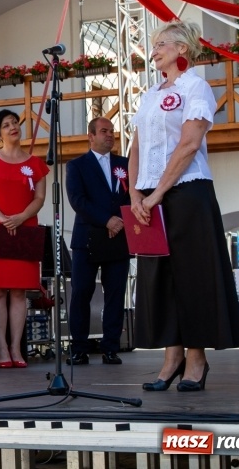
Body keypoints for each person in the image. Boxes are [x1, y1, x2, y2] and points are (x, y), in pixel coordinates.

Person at [128, 20, 239, 392]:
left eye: (162, 43)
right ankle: (171, 357)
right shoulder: (149, 94)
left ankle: (196, 359)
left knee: (192, 278)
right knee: (159, 280)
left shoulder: (196, 86)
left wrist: (159, 191)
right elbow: (135, 147)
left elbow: (190, 143)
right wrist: (134, 195)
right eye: (154, 44)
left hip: (185, 193)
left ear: (182, 49)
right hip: (147, 197)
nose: (155, 49)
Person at [0, 109, 48, 368]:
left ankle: (16, 347)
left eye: (15, 122)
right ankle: (2, 347)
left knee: (19, 291)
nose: (13, 126)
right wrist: (3, 217)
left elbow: (39, 198)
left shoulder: (35, 164)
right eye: (6, 125)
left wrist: (21, 216)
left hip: (24, 227)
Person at [65, 117, 132, 366]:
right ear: (91, 136)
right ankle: (79, 348)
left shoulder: (125, 164)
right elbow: (77, 200)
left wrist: (120, 221)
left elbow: (133, 194)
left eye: (112, 131)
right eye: (104, 131)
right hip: (88, 237)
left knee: (115, 293)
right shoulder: (77, 165)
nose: (110, 135)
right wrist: (107, 220)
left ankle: (111, 347)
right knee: (82, 292)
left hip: (119, 235)